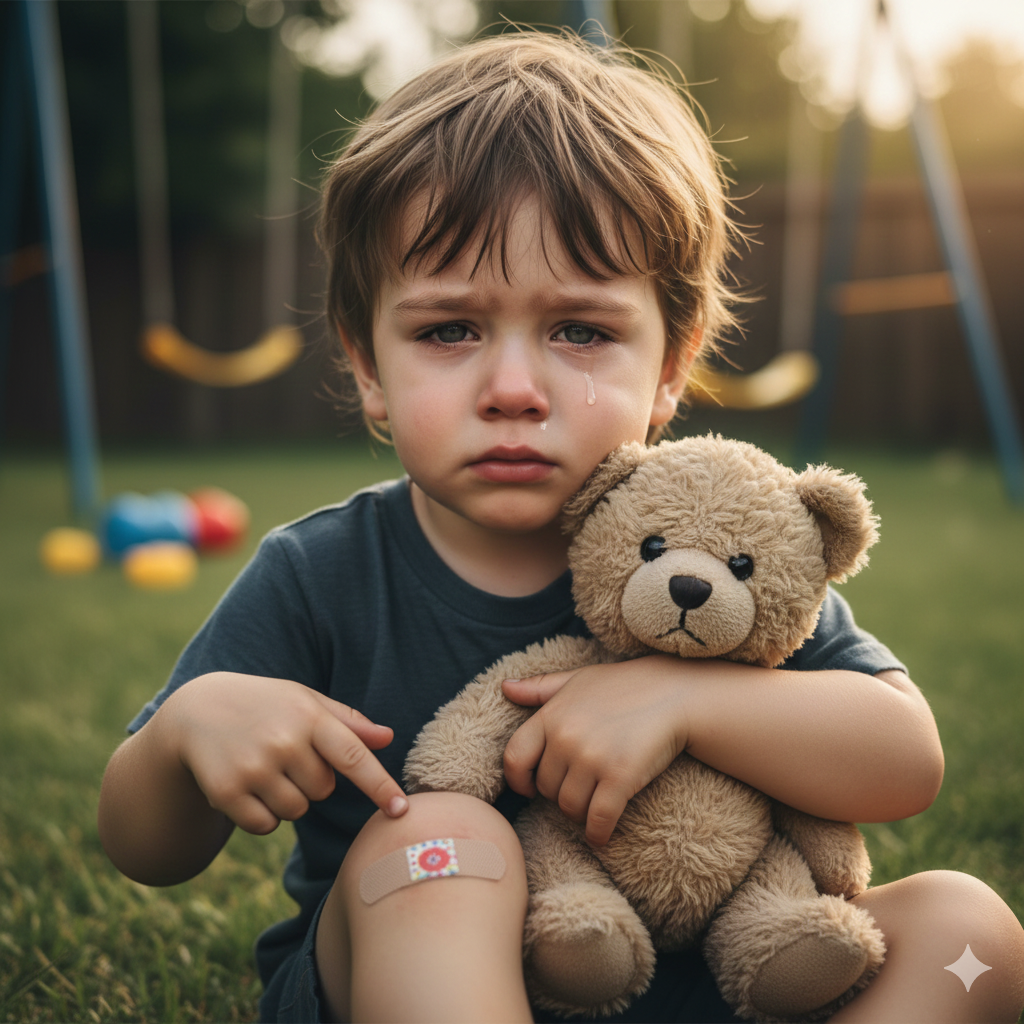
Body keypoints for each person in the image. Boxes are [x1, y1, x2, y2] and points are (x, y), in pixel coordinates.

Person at [98, 30, 1024, 1024]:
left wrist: (679, 698)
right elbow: (145, 849)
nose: (511, 389)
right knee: (446, 835)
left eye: (579, 331)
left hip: (704, 983)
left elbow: (903, 760)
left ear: (671, 366)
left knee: (967, 927)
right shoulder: (322, 573)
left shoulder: (722, 561)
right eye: (447, 330)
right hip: (400, 969)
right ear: (368, 363)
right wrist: (192, 729)